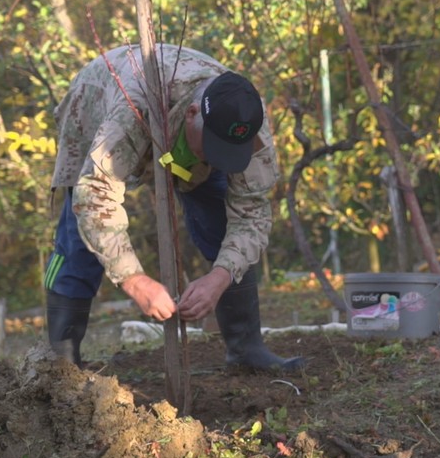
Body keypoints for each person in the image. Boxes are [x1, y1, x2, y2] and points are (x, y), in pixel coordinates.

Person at [44, 43, 304, 373]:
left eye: (228, 152)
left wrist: (220, 277)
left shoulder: (248, 120)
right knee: (79, 239)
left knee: (223, 220)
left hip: (178, 128)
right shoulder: (131, 112)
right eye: (213, 147)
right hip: (100, 98)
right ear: (193, 115)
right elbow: (95, 198)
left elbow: (251, 213)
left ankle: (246, 350)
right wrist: (135, 280)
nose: (217, 158)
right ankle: (61, 367)